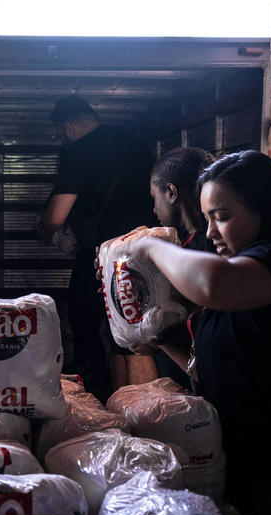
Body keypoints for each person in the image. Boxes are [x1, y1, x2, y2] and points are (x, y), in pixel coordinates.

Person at [112, 150, 271, 515]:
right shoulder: (243, 276)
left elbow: (212, 283)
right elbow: (212, 369)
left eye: (221, 217)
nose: (210, 233)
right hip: (242, 468)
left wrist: (151, 248)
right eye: (207, 219)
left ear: (263, 209)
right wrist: (155, 341)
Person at [40, 95, 158, 402]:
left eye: (58, 132)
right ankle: (141, 407)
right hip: (147, 249)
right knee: (134, 332)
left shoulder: (77, 151)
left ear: (66, 126)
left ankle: (99, 398)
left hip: (102, 254)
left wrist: (48, 232)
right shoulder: (134, 143)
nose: (59, 138)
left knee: (85, 321)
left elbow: (56, 216)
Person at [146, 147, 216, 389]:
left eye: (154, 198)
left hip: (203, 383)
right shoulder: (188, 245)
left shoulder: (192, 252)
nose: (154, 209)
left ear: (171, 192)